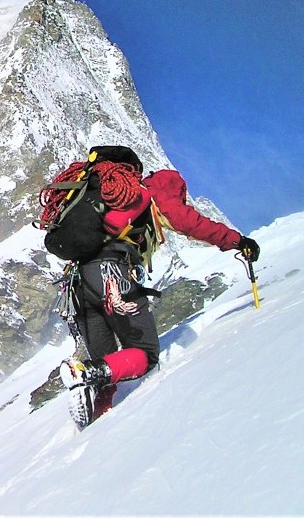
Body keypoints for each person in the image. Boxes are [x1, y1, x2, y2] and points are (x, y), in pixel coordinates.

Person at [51, 147, 261, 427]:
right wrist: (238, 241)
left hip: (77, 285)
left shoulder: (100, 199)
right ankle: (85, 373)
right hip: (111, 275)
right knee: (145, 353)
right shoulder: (153, 192)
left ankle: (96, 422)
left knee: (109, 364)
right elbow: (193, 224)